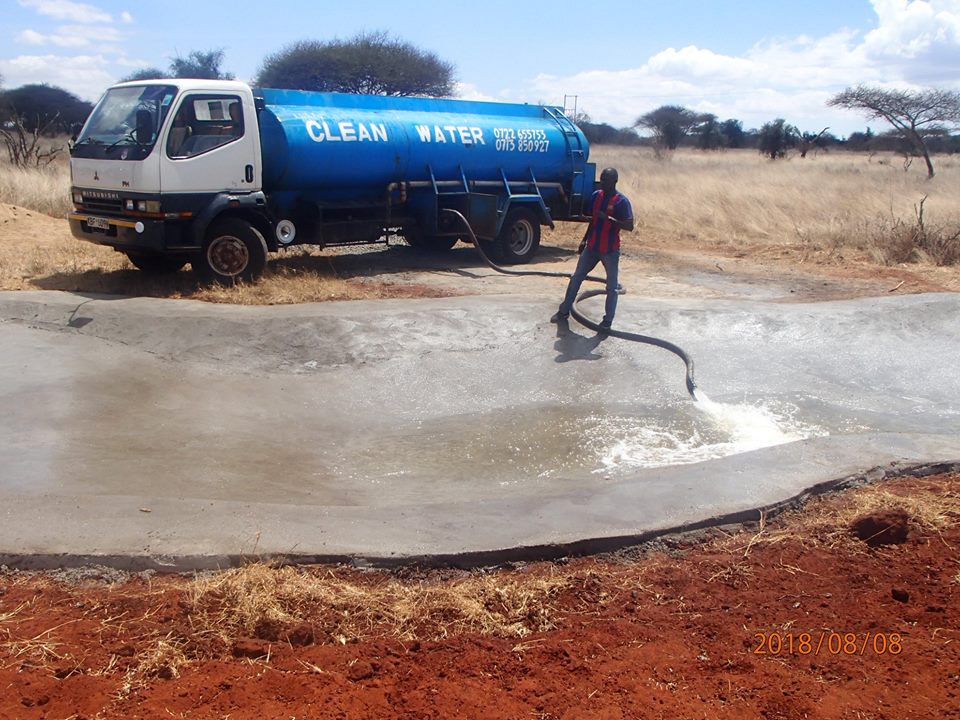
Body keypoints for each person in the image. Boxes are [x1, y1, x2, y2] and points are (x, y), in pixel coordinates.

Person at [552, 167, 634, 330]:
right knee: (576, 278)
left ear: (615, 181)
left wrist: (610, 219)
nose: (602, 182)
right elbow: (593, 221)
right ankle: (564, 310)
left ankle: (607, 321)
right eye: (602, 179)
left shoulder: (621, 202)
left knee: (611, 287)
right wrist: (583, 241)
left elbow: (629, 225)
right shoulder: (596, 196)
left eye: (606, 180)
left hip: (610, 250)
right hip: (592, 247)